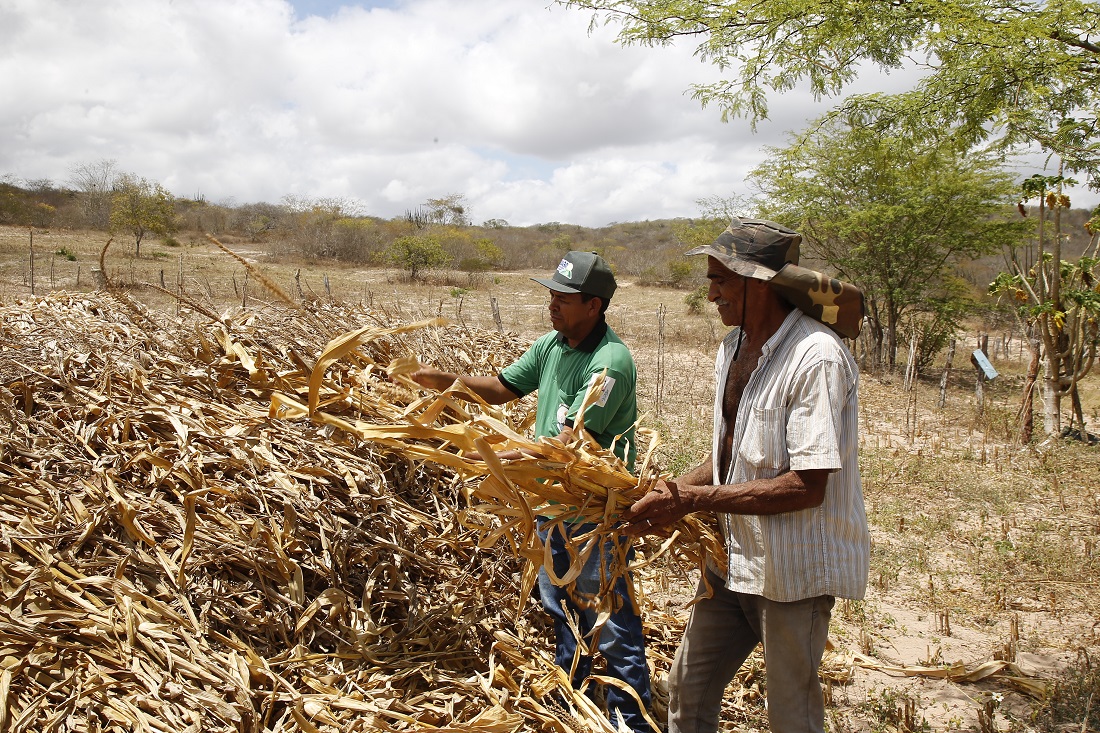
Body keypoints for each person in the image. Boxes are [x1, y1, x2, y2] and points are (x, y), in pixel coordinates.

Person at [625, 219, 869, 733]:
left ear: (757, 283)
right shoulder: (732, 348)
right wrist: (669, 491)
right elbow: (729, 456)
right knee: (687, 700)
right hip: (730, 558)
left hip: (791, 572)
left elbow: (808, 486)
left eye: (719, 279)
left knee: (790, 716)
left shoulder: (815, 357)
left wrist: (691, 502)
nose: (710, 293)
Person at [409, 251, 653, 733]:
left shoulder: (610, 364)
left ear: (594, 305)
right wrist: (441, 382)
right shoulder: (552, 346)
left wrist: (496, 457)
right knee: (560, 606)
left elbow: (572, 443)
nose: (553, 305)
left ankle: (634, 717)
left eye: (563, 298)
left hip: (593, 511)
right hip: (550, 506)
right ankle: (576, 697)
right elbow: (502, 387)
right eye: (552, 295)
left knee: (608, 612)